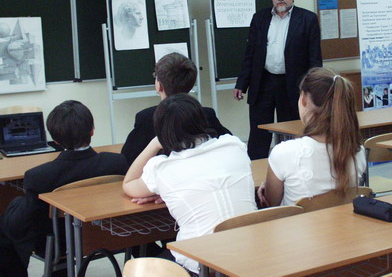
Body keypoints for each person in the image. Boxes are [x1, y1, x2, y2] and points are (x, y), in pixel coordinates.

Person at [123, 93, 256, 275]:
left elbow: (129, 183)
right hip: (253, 255)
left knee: (139, 268)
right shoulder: (234, 146)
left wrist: (154, 144)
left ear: (162, 132)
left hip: (203, 263)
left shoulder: (162, 168)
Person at [0, 100, 128, 277]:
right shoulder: (117, 162)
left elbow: (18, 227)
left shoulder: (39, 176)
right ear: (92, 130)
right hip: (113, 235)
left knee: (9, 225)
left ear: (55, 140)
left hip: (60, 245)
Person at [233, 0, 322, 160]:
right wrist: (241, 83)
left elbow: (314, 58)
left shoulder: (307, 19)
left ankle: (290, 169)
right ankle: (256, 172)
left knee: (290, 133)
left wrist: (313, 90)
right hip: (263, 82)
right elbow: (250, 54)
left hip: (293, 84)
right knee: (258, 133)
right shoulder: (260, 18)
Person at [257, 68, 366, 207]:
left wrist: (270, 187)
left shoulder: (284, 153)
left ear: (303, 99)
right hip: (344, 221)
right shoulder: (357, 151)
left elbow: (272, 206)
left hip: (297, 222)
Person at [121, 52, 230, 166]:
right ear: (191, 84)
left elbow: (129, 159)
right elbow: (228, 145)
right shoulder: (207, 114)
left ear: (159, 86)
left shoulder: (146, 118)